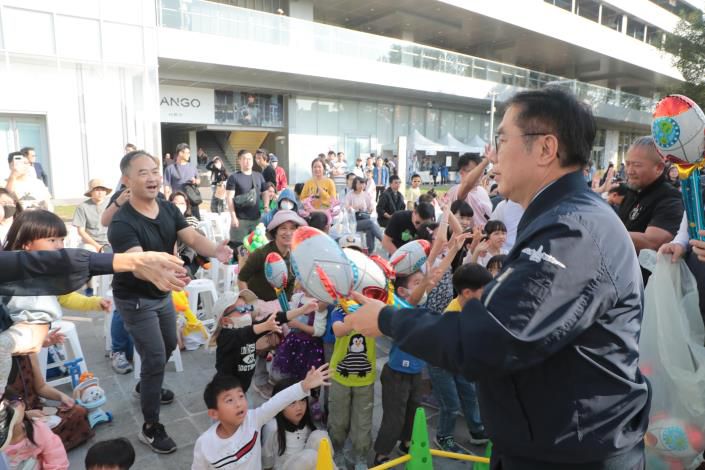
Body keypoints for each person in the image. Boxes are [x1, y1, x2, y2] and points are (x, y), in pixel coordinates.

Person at [345, 87, 650, 469]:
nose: (493, 154)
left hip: (571, 457)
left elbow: (490, 338)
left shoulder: (573, 232)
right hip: (547, 446)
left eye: (502, 140)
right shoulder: (562, 219)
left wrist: (387, 319)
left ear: (546, 148)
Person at [108, 150, 232, 454]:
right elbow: (140, 263)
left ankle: (146, 385)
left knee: (167, 346)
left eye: (154, 171)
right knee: (153, 358)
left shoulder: (167, 208)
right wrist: (167, 275)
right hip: (135, 298)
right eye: (143, 173)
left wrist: (215, 250)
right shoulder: (121, 223)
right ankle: (150, 427)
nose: (152, 178)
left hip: (162, 293)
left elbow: (192, 238)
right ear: (127, 181)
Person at [191, 366, 331, 470]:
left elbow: (277, 402)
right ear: (214, 413)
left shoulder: (253, 420)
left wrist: (303, 386)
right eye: (229, 400)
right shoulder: (205, 443)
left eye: (241, 396)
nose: (239, 404)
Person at [427, 263, 492, 453]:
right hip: (441, 364)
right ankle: (443, 436)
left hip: (459, 361)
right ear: (467, 293)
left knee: (470, 395)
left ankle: (477, 430)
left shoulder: (472, 307)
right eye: (484, 291)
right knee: (451, 404)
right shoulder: (453, 314)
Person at [372, 271, 426, 466]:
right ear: (402, 291)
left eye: (423, 282)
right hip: (397, 373)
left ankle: (406, 443)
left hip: (416, 372)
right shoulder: (401, 308)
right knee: (394, 417)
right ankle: (381, 453)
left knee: (414, 411)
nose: (423, 286)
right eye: (417, 283)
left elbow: (433, 279)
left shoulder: (422, 308)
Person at [208, 290, 310, 393]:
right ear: (225, 320)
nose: (247, 312)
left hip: (242, 388)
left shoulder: (250, 329)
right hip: (225, 390)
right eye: (242, 309)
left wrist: (301, 310)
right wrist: (265, 326)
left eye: (248, 307)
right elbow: (244, 334)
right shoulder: (225, 336)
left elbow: (277, 318)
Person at [7, 353, 93, 450]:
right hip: (13, 420)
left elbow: (41, 387)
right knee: (27, 437)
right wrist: (25, 415)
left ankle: (48, 448)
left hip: (38, 410)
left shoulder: (30, 354)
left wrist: (62, 396)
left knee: (79, 412)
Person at [328, 302, 376, 470]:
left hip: (365, 378)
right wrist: (356, 315)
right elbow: (338, 330)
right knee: (338, 419)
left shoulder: (373, 307)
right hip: (340, 377)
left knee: (363, 421)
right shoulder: (339, 310)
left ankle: (361, 456)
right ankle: (337, 451)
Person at [618, 136, 683, 255]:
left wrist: (607, 231)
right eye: (627, 164)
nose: (629, 171)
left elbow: (652, 242)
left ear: (659, 168)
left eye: (637, 165)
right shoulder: (633, 191)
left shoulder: (670, 198)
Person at [262, 378, 333, 470]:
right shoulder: (273, 427)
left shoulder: (305, 422)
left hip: (306, 464)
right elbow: (267, 459)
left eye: (302, 400)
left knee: (321, 436)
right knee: (310, 456)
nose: (299, 407)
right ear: (279, 405)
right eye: (292, 403)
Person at [238, 210, 307, 302]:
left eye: (292, 228)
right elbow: (241, 279)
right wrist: (250, 303)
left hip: (279, 306)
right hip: (257, 303)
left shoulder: (294, 257)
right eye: (283, 228)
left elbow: (289, 289)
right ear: (275, 231)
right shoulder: (261, 253)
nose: (288, 233)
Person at [3, 400, 69, 469]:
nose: (8, 411)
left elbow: (57, 461)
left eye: (12, 404)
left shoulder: (38, 429)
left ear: (23, 405)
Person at [226, 150, 270, 248]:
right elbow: (229, 198)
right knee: (238, 248)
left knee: (257, 248)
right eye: (245, 159)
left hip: (256, 220)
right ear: (239, 161)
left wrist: (266, 206)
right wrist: (233, 217)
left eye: (250, 159)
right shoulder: (234, 177)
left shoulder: (258, 175)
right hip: (240, 221)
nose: (248, 161)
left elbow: (265, 192)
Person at [446, 152, 493, 229]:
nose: (479, 174)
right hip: (467, 235)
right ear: (461, 172)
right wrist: (485, 162)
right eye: (475, 171)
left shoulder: (482, 190)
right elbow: (468, 184)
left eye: (481, 170)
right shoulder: (457, 190)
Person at [163, 143, 202, 219]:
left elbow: (198, 180)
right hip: (178, 203)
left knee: (195, 223)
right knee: (179, 224)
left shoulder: (192, 166)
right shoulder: (170, 168)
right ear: (180, 153)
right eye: (188, 153)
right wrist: (168, 203)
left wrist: (195, 181)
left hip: (192, 202)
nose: (189, 155)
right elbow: (166, 187)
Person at [344, 177, 382, 253]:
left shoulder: (366, 194)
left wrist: (371, 208)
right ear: (355, 184)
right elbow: (346, 208)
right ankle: (383, 240)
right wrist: (356, 207)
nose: (362, 185)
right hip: (353, 221)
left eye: (363, 183)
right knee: (370, 223)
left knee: (370, 228)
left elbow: (371, 207)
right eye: (359, 184)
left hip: (364, 219)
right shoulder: (350, 195)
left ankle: (370, 252)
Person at [73, 178, 111, 253]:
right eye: (97, 190)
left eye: (102, 189)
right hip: (91, 243)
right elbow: (81, 231)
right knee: (87, 251)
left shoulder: (112, 204)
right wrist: (98, 246)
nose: (100, 192)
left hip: (111, 241)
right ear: (91, 192)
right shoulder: (82, 207)